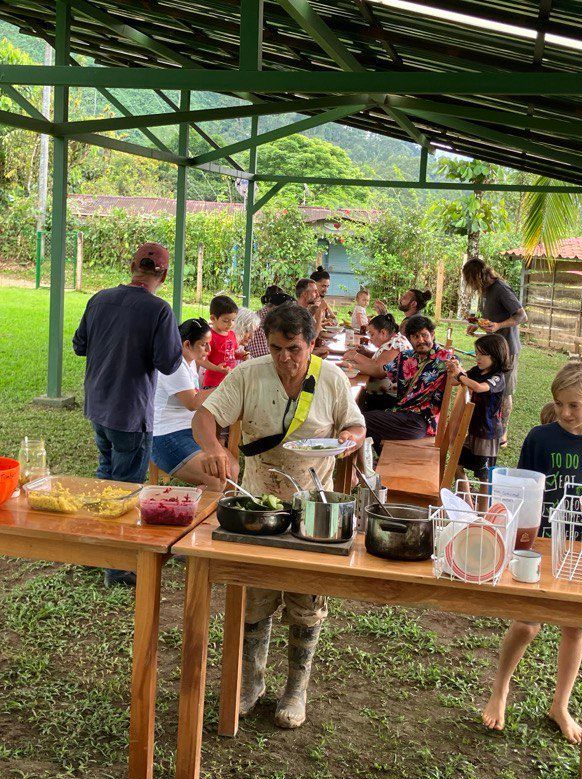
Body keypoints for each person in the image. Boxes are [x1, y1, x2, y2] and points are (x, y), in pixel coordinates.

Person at [194, 304, 365, 729]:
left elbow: (356, 427)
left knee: (306, 601)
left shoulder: (331, 379)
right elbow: (205, 416)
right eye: (276, 348)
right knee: (253, 598)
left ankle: (296, 689)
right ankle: (251, 683)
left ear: (310, 343)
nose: (285, 358)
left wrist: (347, 438)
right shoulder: (249, 375)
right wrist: (215, 448)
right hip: (257, 504)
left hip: (312, 507)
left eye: (294, 349)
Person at [481, 361, 582, 743]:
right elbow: (521, 490)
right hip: (543, 543)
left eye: (574, 406)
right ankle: (500, 689)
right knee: (527, 623)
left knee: (575, 626)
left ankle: (560, 705)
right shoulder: (539, 438)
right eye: (560, 404)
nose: (565, 413)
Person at [73, 241, 183, 587]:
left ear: (131, 266)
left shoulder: (99, 298)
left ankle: (97, 550)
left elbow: (80, 346)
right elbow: (168, 363)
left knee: (105, 475)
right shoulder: (159, 311)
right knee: (125, 488)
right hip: (131, 412)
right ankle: (118, 568)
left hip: (98, 405)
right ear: (163, 274)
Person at [348, 315, 453, 444]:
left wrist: (459, 373)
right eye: (415, 337)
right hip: (403, 410)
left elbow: (460, 374)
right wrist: (350, 367)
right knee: (362, 406)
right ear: (410, 339)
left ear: (432, 334)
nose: (421, 340)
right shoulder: (406, 356)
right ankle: (374, 455)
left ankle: (369, 457)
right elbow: (381, 371)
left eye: (424, 335)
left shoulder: (445, 358)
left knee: (357, 420)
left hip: (421, 421)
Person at [151, 318, 225, 490]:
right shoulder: (175, 366)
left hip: (188, 429)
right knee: (217, 479)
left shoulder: (189, 360)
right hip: (166, 436)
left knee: (232, 469)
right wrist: (223, 387)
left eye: (209, 344)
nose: (209, 349)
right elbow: (192, 403)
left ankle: (197, 506)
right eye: (203, 344)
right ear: (186, 344)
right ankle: (186, 510)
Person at [462, 258, 526, 445]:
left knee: (505, 391)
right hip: (493, 349)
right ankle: (495, 428)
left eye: (470, 280)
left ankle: (503, 434)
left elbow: (522, 315)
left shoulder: (501, 289)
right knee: (493, 389)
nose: (470, 285)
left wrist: (499, 325)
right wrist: (476, 324)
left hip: (508, 349)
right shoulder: (486, 291)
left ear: (477, 276)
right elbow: (492, 317)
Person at [447, 334, 512, 479]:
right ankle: (467, 500)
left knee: (484, 476)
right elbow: (454, 382)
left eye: (483, 354)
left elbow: (478, 387)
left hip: (488, 433)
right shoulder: (476, 371)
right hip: (473, 429)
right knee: (456, 463)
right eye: (477, 354)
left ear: (496, 355)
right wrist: (454, 368)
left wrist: (460, 376)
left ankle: (482, 502)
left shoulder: (498, 377)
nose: (478, 358)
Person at [200, 294, 242, 388]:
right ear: (213, 318)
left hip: (230, 382)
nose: (230, 324)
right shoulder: (209, 336)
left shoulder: (231, 334)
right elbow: (201, 360)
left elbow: (230, 354)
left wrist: (241, 356)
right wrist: (217, 369)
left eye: (233, 320)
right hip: (213, 384)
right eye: (226, 321)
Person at [247, 286, 291, 359]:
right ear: (275, 306)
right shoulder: (260, 322)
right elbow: (263, 355)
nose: (285, 312)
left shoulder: (261, 316)